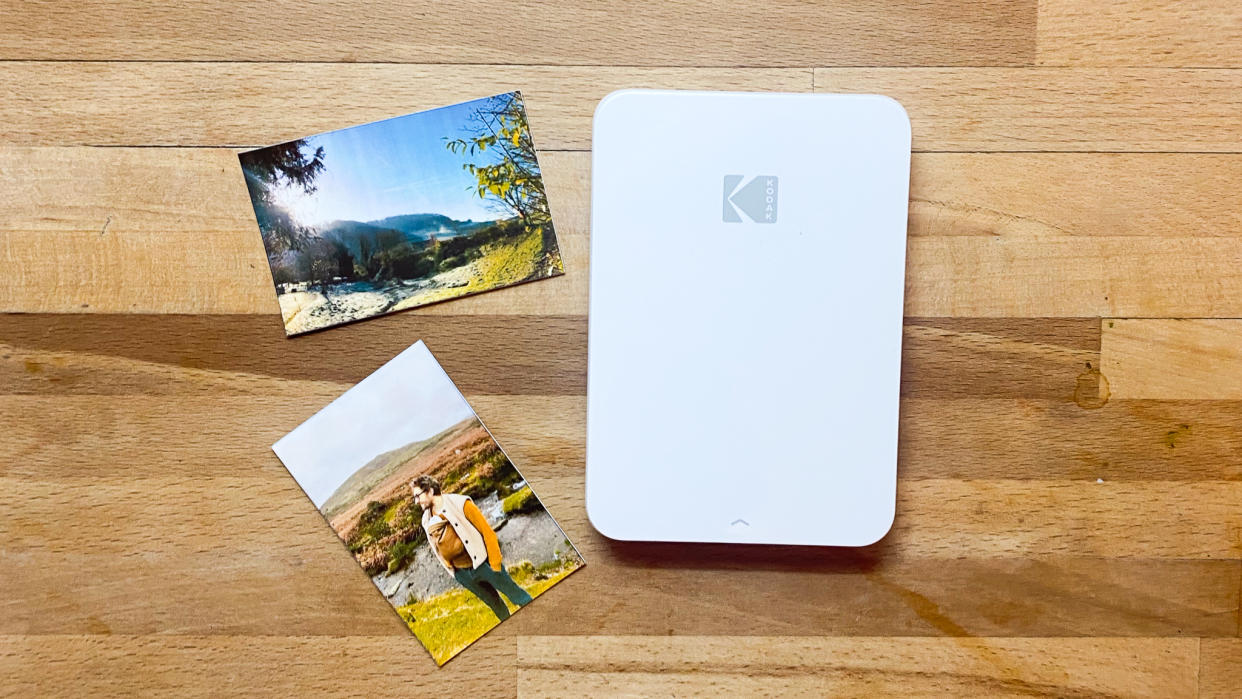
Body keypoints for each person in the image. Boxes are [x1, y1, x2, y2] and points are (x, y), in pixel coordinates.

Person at [409, 475, 533, 620]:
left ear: (429, 491)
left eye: (417, 496)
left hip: (485, 565)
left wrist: (495, 564)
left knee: (517, 596)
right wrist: (454, 573)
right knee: (496, 606)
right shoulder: (426, 520)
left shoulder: (461, 503)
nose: (416, 501)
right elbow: (436, 549)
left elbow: (487, 532)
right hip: (463, 574)